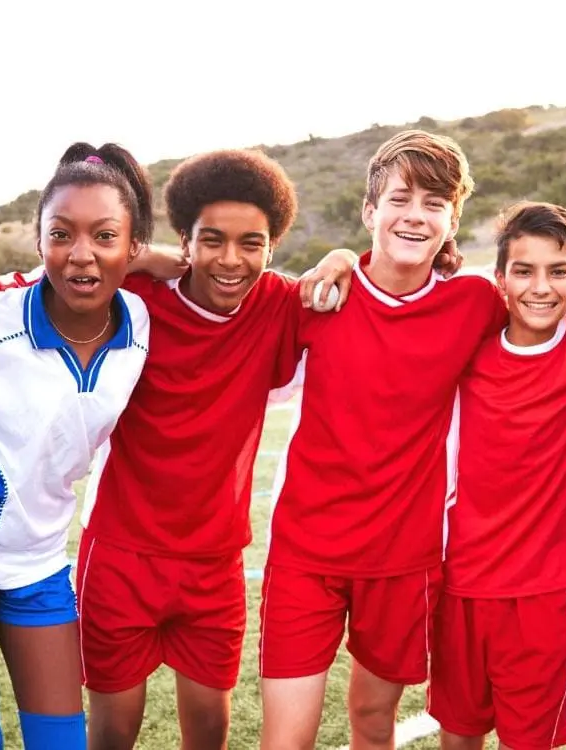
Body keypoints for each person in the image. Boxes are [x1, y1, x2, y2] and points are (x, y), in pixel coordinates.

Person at [72, 148, 358, 750]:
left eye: (251, 243)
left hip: (215, 562)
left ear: (272, 248)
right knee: (114, 730)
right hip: (122, 552)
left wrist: (345, 256)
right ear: (185, 241)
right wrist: (135, 255)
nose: (230, 260)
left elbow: (368, 295)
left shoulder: (281, 305)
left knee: (209, 730)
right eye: (211, 240)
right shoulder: (137, 301)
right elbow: (71, 264)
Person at [258, 128, 507, 750]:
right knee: (287, 738)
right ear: (370, 211)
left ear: (452, 222)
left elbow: (551, 317)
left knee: (373, 721)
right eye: (400, 199)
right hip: (306, 551)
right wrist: (340, 257)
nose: (415, 215)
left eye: (434, 204)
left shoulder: (475, 302)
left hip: (405, 557)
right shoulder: (319, 297)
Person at [428, 201, 566, 750]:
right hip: (458, 576)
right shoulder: (467, 344)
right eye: (523, 271)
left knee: (530, 739)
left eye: (558, 271)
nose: (540, 287)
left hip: (543, 584)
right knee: (459, 730)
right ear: (500, 279)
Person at [0, 143, 152, 749]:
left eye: (105, 236)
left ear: (134, 248)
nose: (81, 253)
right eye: (61, 234)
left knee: (61, 741)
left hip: (41, 562)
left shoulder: (141, 322)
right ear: (39, 243)